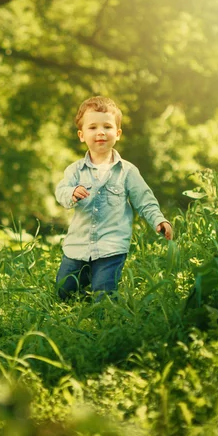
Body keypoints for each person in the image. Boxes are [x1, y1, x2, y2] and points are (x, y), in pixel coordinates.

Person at [54, 96, 173, 300]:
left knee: (104, 294)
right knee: (64, 291)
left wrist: (158, 220)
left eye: (107, 126)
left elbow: (144, 200)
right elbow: (61, 190)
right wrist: (71, 193)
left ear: (117, 134)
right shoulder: (75, 170)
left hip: (112, 247)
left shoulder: (127, 171)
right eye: (92, 127)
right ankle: (75, 311)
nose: (100, 132)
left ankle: (103, 320)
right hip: (77, 246)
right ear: (82, 135)